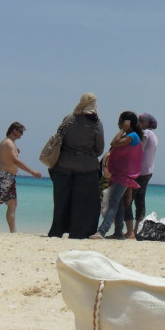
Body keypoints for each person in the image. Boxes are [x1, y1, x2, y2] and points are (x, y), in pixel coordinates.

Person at [47, 93, 105, 239]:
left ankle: (57, 231)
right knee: (84, 203)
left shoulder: (68, 119)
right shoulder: (96, 124)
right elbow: (99, 149)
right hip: (87, 167)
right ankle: (78, 232)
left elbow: (59, 138)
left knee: (61, 201)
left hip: (63, 165)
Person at [90, 111, 143, 240]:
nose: (118, 124)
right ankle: (118, 232)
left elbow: (114, 143)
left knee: (113, 202)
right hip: (119, 174)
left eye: (120, 121)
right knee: (117, 203)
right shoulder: (128, 136)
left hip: (124, 175)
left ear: (127, 122)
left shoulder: (133, 136)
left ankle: (102, 231)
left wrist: (123, 129)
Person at [119, 112, 158, 239]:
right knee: (140, 200)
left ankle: (130, 231)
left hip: (139, 171)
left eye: (140, 121)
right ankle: (136, 229)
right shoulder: (153, 135)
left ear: (146, 123)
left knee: (128, 200)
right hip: (148, 171)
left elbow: (139, 149)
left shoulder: (145, 133)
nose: (138, 123)